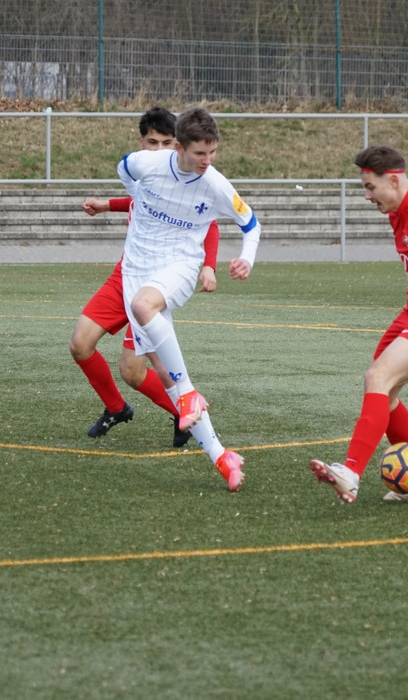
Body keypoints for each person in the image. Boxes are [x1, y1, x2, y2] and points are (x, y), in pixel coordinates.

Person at [309, 145, 408, 504]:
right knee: (386, 392)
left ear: (394, 181)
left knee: (377, 378)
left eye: (371, 187)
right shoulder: (398, 212)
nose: (367, 196)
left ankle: (350, 473)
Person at [118, 106, 262, 492]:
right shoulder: (147, 163)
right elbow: (124, 169)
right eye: (200, 153)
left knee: (144, 307)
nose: (207, 160)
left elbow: (251, 224)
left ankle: (189, 395)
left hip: (180, 264)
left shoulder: (215, 184)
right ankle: (221, 456)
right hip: (136, 269)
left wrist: (246, 259)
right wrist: (138, 198)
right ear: (179, 147)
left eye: (212, 152)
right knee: (164, 372)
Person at [71, 107, 220, 447]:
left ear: (178, 145)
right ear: (141, 143)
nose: (159, 150)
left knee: (133, 371)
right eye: (152, 143)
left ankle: (192, 420)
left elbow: (209, 224)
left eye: (167, 143)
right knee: (80, 344)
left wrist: (209, 266)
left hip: (155, 284)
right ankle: (116, 407)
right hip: (125, 274)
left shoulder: (189, 182)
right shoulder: (144, 173)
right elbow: (138, 200)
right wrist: (106, 205)